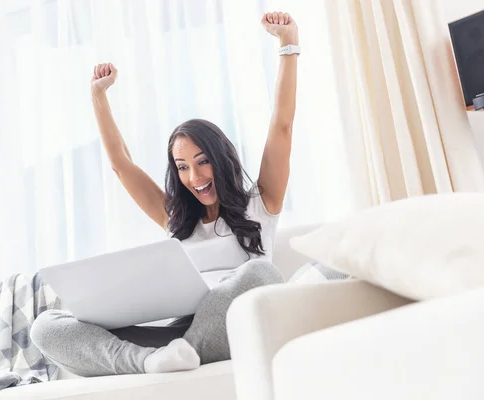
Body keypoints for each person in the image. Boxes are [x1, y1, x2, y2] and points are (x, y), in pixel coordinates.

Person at [30, 11, 299, 376]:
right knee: (46, 326)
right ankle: (150, 361)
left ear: (222, 159)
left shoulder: (260, 203)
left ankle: (185, 351)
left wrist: (288, 44)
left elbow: (281, 125)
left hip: (232, 326)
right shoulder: (174, 217)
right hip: (173, 332)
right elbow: (121, 164)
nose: (195, 177)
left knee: (261, 275)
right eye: (183, 166)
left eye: (202, 162)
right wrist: (98, 96)